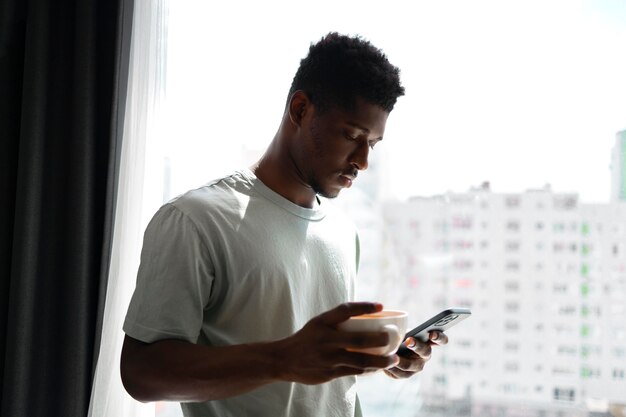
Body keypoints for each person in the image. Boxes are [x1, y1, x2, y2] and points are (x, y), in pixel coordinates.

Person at [120, 32, 448, 417]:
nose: (362, 161)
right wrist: (282, 359)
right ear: (300, 109)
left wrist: (386, 357)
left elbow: (318, 367)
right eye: (352, 136)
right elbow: (142, 374)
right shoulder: (195, 220)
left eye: (372, 144)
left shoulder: (344, 231)